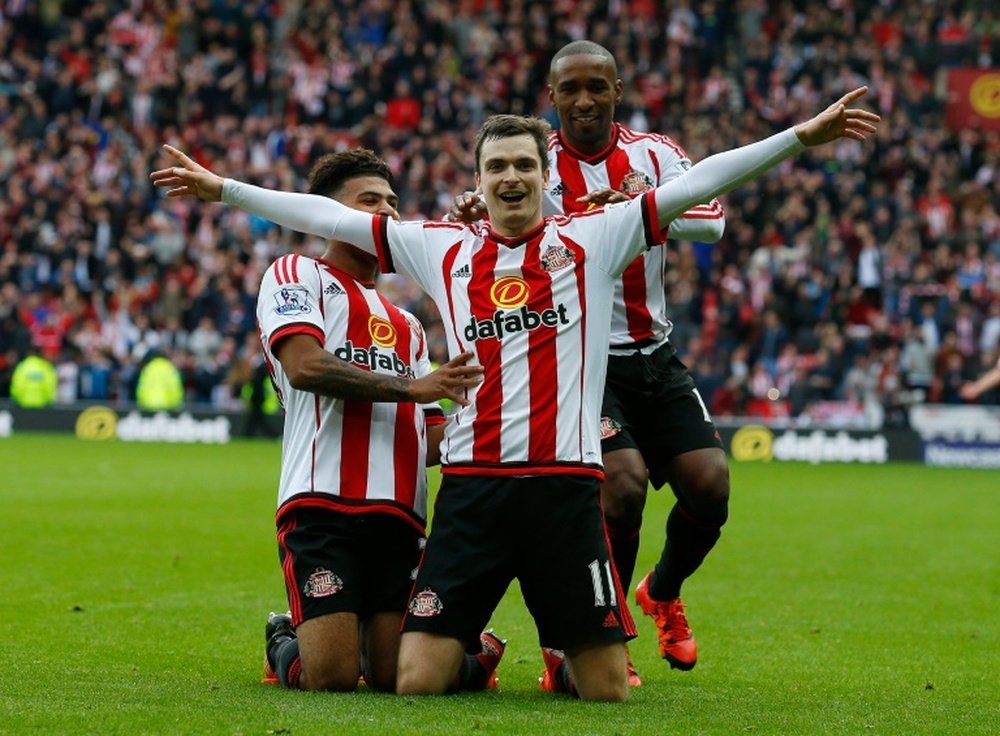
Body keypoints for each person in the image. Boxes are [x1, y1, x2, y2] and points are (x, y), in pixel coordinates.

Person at [151, 89, 879, 701]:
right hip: (473, 491)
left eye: (523, 165)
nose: (510, 177)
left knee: (606, 691)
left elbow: (699, 182)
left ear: (541, 176)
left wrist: (800, 137)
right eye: (496, 165)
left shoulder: (598, 236)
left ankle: (567, 645)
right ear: (480, 176)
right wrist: (221, 189)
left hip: (565, 489)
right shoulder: (440, 245)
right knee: (415, 682)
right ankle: (470, 642)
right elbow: (326, 217)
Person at [449, 40, 729, 682]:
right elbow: (479, 229)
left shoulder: (655, 154)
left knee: (710, 487)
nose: (582, 100)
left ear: (617, 90)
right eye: (568, 89)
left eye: (595, 87)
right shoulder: (532, 164)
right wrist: (468, 214)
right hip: (583, 363)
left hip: (655, 353)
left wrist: (639, 214)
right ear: (550, 97)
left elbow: (711, 219)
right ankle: (598, 643)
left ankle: (660, 592)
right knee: (623, 487)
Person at [237, 149, 497, 693]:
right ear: (329, 215)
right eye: (370, 202)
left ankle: (478, 655)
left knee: (391, 677)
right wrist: (410, 387)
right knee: (330, 677)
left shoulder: (408, 324)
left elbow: (428, 437)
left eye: (392, 204)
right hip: (321, 503)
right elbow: (304, 366)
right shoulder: (296, 273)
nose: (386, 215)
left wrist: (495, 420)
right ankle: (285, 638)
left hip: (400, 513)